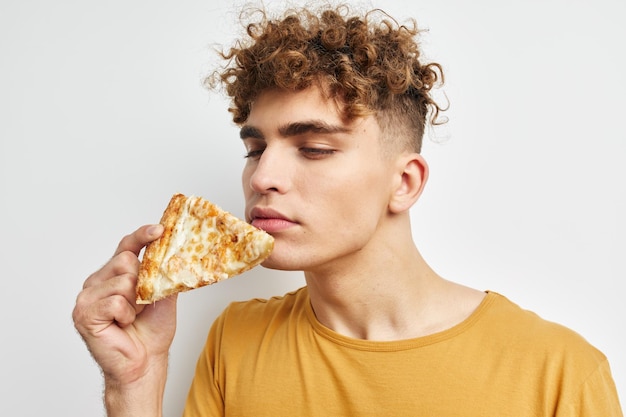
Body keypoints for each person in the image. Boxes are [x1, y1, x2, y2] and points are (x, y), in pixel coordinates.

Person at [72, 4, 623, 416]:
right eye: (255, 148)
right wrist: (135, 386)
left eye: (313, 148)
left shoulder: (559, 374)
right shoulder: (235, 342)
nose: (262, 177)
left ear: (404, 183)